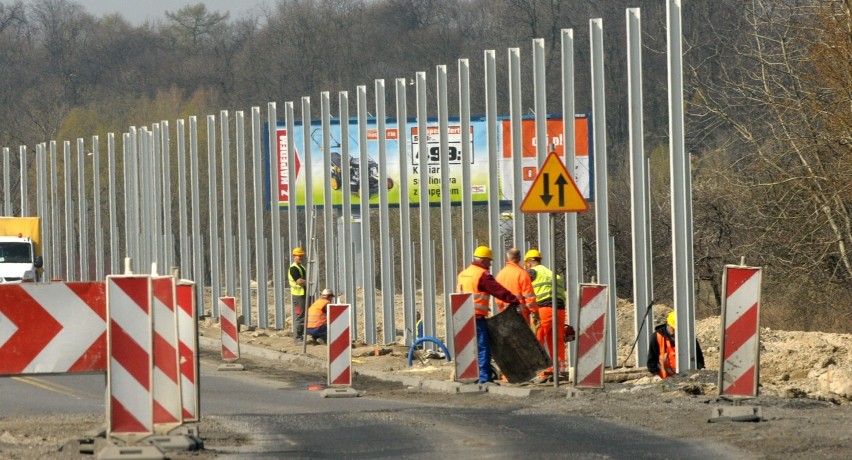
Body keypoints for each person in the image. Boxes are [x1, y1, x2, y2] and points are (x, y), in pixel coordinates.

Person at [457, 245, 521, 383]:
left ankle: (468, 376)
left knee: (468, 348)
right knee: (483, 347)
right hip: (477, 316)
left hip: (462, 317)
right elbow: (497, 290)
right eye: (489, 261)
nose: (490, 264)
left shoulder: (463, 274)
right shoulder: (482, 275)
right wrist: (513, 299)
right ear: (484, 260)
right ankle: (484, 379)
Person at [524, 248, 568, 377]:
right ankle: (559, 370)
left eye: (526, 264)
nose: (526, 267)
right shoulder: (552, 273)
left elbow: (526, 291)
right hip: (560, 310)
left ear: (530, 262)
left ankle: (540, 371)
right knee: (557, 339)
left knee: (537, 339)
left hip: (544, 309)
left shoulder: (532, 272)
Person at [647, 311, 705, 379]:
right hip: (664, 379)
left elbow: (698, 356)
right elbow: (652, 358)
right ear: (668, 324)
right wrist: (655, 374)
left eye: (678, 329)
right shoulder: (657, 336)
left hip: (686, 379)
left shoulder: (689, 337)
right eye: (673, 329)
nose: (676, 332)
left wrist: (700, 368)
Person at [495, 248, 536, 325]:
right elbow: (529, 296)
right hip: (520, 314)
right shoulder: (522, 274)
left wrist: (501, 310)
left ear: (507, 258)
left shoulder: (500, 275)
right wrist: (535, 312)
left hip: (504, 314)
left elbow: (497, 298)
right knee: (521, 336)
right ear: (519, 258)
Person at [289, 247, 307, 342]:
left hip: (303, 295)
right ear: (294, 256)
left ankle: (301, 337)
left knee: (303, 316)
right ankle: (298, 338)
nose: (300, 257)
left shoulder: (301, 267)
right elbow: (299, 281)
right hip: (298, 296)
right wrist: (309, 283)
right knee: (299, 317)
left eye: (301, 255)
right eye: (298, 255)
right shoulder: (293, 268)